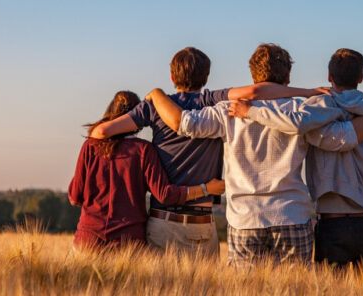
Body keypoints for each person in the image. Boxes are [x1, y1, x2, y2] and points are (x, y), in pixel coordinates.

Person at [146, 43, 363, 267]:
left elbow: (185, 124)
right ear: (288, 78)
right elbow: (342, 139)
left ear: (253, 77)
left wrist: (157, 95)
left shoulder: (227, 111)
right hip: (292, 215)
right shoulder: (302, 111)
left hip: (245, 219)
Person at [89, 47, 323, 256]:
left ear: (172, 77)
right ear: (206, 77)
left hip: (163, 220)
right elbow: (254, 92)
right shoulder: (211, 101)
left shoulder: (154, 106)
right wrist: (308, 92)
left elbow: (100, 133)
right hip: (202, 222)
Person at [230, 48, 363, 272]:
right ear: (361, 78)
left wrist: (251, 111)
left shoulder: (314, 114)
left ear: (330, 77)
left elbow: (293, 123)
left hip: (333, 225)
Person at [68, 90, 225, 251]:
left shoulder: (90, 146)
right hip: (128, 243)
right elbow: (165, 195)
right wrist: (206, 189)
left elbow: (75, 197)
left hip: (88, 241)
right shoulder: (143, 150)